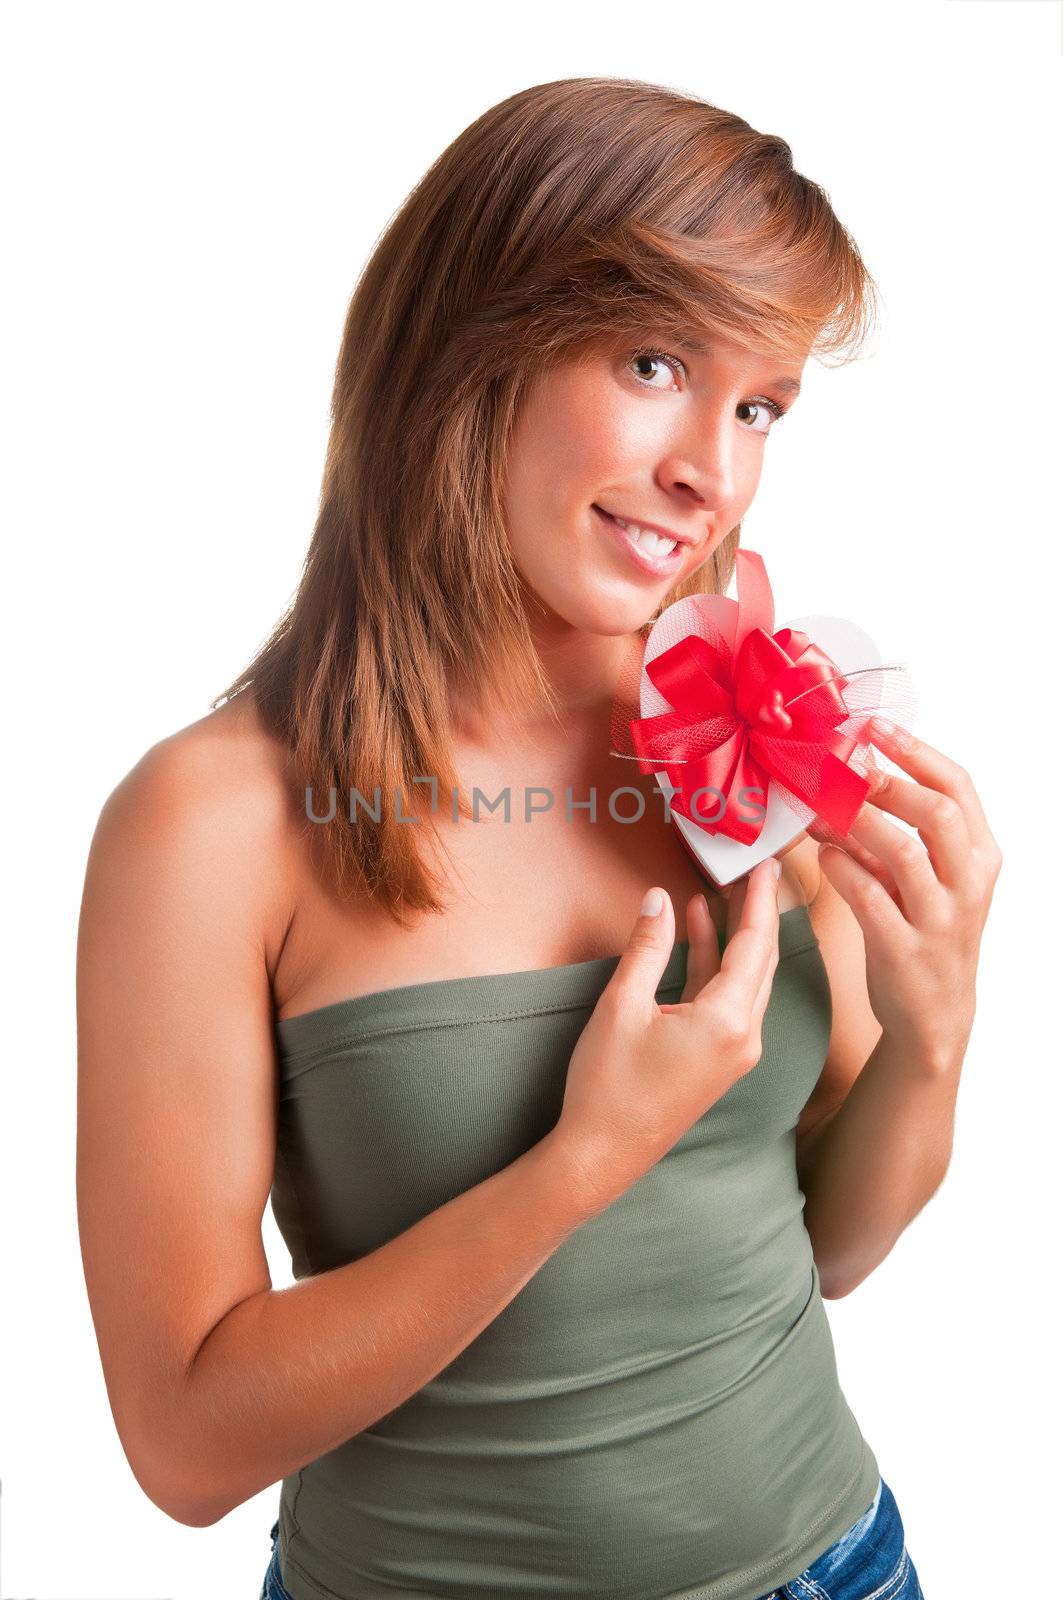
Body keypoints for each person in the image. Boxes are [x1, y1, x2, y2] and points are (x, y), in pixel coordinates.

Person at [76, 76, 1001, 1600]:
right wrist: (581, 1162)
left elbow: (828, 1243)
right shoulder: (212, 821)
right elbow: (184, 1444)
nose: (716, 467)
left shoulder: (743, 727)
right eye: (655, 362)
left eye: (760, 403)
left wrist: (937, 1021)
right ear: (466, 349)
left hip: (840, 1565)